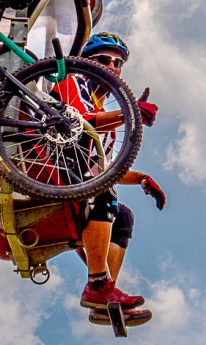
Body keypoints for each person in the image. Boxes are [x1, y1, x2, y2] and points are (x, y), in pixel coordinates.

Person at [70, 32, 166, 327]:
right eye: (103, 60)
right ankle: (99, 285)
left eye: (117, 62)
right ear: (87, 61)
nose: (111, 66)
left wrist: (141, 178)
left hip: (83, 176)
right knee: (104, 194)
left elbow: (105, 166)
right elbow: (79, 120)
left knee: (123, 216)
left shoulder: (106, 115)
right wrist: (130, 113)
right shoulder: (73, 81)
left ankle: (102, 290)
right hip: (57, 173)